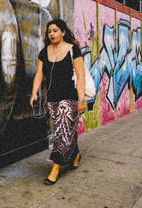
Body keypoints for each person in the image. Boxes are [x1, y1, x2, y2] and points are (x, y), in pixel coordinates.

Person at [29, 18, 87, 185]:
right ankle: (75, 154)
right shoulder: (44, 52)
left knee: (62, 132)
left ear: (63, 32)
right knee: (64, 130)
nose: (52, 34)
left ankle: (55, 168)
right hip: (52, 98)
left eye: (55, 30)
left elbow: (80, 75)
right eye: (49, 31)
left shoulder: (72, 50)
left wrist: (81, 99)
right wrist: (34, 93)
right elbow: (39, 74)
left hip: (70, 97)